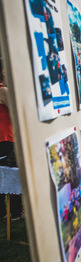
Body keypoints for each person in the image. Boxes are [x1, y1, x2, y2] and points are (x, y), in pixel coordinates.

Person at [0, 57, 22, 220]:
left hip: (4, 138)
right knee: (13, 175)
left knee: (5, 176)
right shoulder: (3, 90)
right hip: (8, 138)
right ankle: (15, 212)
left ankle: (7, 212)